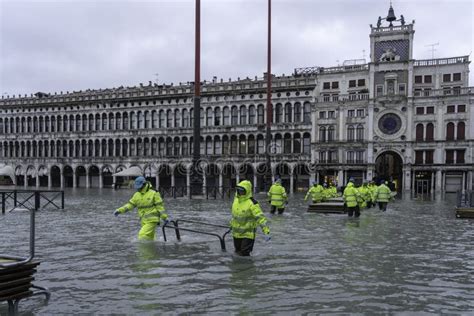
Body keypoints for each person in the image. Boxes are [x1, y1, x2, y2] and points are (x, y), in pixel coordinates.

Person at [114, 176, 169, 241]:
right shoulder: (136, 195)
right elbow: (130, 205)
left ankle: (142, 250)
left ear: (144, 184)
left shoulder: (154, 193)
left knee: (142, 235)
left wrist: (164, 218)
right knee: (150, 238)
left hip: (152, 220)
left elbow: (160, 207)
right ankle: (152, 250)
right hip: (143, 220)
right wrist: (120, 210)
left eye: (139, 187)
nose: (138, 189)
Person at [230, 180, 271, 256]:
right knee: (237, 252)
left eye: (242, 191)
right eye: (238, 190)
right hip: (236, 233)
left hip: (248, 234)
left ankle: (247, 267)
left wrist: (266, 231)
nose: (240, 192)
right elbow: (234, 216)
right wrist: (231, 226)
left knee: (244, 254)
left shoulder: (252, 203)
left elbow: (260, 218)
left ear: (247, 191)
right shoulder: (236, 200)